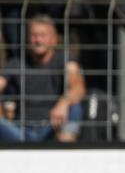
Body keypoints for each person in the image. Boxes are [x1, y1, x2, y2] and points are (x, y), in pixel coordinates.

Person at [0, 14, 84, 142]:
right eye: (34, 35)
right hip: (19, 132)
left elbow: (77, 87)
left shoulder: (65, 60)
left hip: (51, 127)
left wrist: (64, 102)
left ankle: (66, 149)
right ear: (27, 38)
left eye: (43, 35)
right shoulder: (16, 62)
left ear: (54, 39)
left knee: (74, 107)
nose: (38, 40)